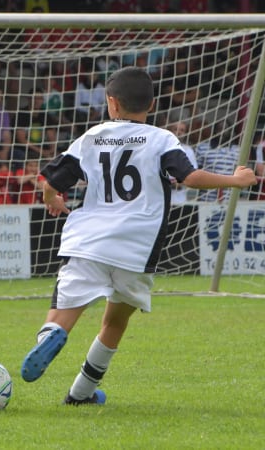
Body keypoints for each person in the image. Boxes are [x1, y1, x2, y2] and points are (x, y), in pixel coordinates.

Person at [19, 67, 257, 405]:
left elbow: (52, 181)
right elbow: (189, 177)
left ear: (112, 103)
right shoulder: (161, 139)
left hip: (88, 243)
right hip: (136, 248)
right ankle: (81, 393)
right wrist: (235, 180)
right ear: (152, 104)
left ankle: (50, 335)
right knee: (115, 322)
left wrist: (52, 198)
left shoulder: (93, 136)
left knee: (63, 312)